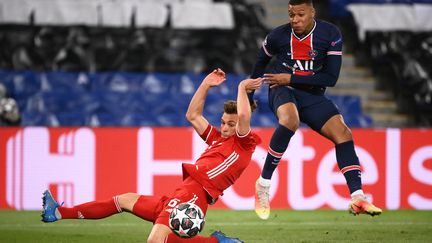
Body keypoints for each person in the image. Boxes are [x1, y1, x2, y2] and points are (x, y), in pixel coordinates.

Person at [41, 69, 263, 243]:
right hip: (182, 191)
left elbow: (243, 114)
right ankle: (59, 212)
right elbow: (192, 115)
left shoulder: (244, 143)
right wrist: (205, 85)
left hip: (194, 195)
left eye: (230, 124)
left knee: (156, 239)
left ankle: (215, 242)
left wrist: (242, 87)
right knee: (123, 200)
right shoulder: (217, 138)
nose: (224, 127)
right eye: (223, 122)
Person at [249, 0, 382, 220]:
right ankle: (263, 184)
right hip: (283, 89)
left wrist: (291, 76)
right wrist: (249, 96)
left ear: (312, 12)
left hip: (312, 94)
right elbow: (260, 62)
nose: (295, 20)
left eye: (301, 14)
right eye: (291, 15)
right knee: (290, 120)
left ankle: (358, 196)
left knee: (343, 133)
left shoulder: (330, 33)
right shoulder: (277, 36)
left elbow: (331, 78)